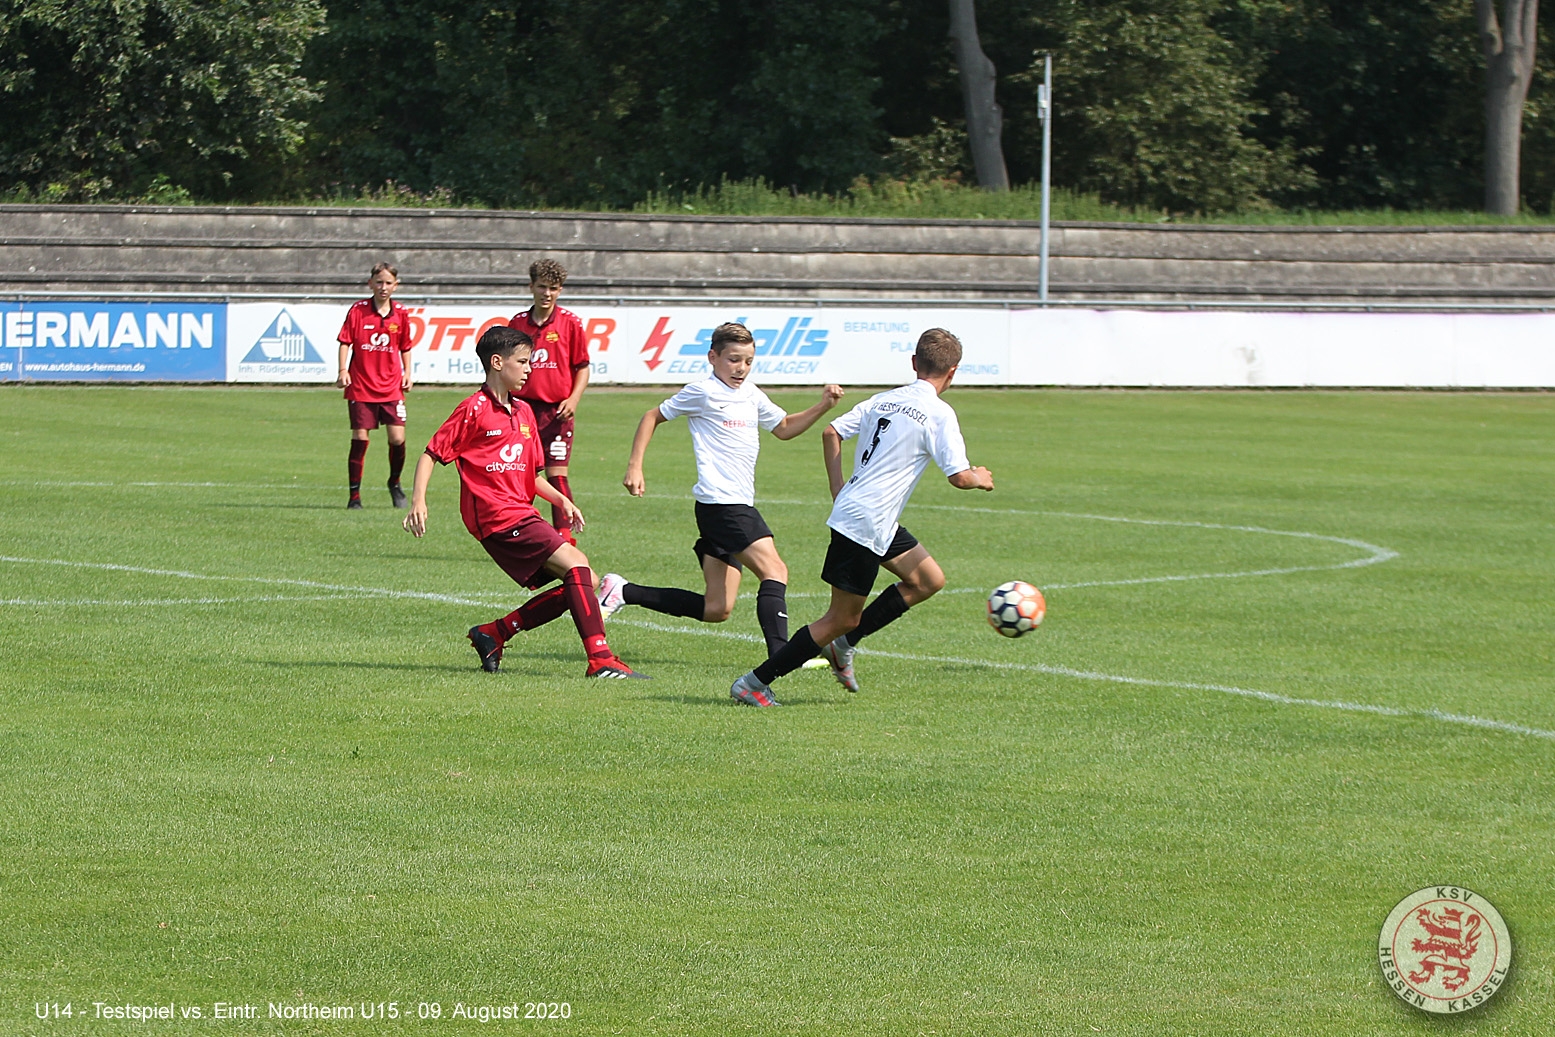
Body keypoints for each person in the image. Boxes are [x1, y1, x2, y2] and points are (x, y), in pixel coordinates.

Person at [728, 328, 994, 707]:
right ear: (952, 372)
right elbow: (959, 476)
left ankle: (844, 646)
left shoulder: (884, 400)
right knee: (840, 618)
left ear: (914, 363)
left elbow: (831, 431)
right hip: (866, 523)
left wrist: (839, 488)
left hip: (869, 516)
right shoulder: (939, 412)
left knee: (927, 580)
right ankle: (754, 682)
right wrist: (980, 479)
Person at [402, 325, 647, 680]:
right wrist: (419, 501)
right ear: (497, 363)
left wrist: (562, 500)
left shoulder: (525, 413)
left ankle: (495, 632)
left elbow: (531, 476)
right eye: (523, 362)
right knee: (577, 564)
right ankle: (601, 659)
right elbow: (431, 453)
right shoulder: (473, 409)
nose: (529, 368)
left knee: (584, 581)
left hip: (521, 512)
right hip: (495, 517)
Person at [598, 322, 844, 656]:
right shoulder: (702, 392)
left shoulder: (751, 394)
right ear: (713, 357)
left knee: (717, 608)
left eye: (748, 361)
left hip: (730, 504)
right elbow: (652, 415)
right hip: (722, 505)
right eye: (733, 359)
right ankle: (782, 656)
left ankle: (623, 591)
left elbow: (784, 428)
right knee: (775, 570)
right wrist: (634, 466)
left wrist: (823, 406)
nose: (741, 368)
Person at [508, 258, 589, 541]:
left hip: (557, 412)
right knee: (520, 474)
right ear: (531, 286)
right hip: (522, 410)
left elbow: (582, 366)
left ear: (560, 290)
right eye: (542, 286)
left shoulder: (570, 324)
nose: (547, 293)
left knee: (557, 473)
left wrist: (574, 399)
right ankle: (520, 530)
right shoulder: (517, 323)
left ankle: (564, 536)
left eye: (553, 288)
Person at [337, 262, 414, 509]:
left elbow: (405, 346)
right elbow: (345, 342)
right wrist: (342, 370)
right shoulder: (358, 310)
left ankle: (394, 483)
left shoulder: (401, 313)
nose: (383, 287)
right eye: (379, 282)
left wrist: (408, 373)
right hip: (361, 384)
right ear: (370, 283)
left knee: (397, 438)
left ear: (396, 285)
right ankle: (354, 496)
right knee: (360, 436)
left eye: (388, 283)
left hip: (391, 386)